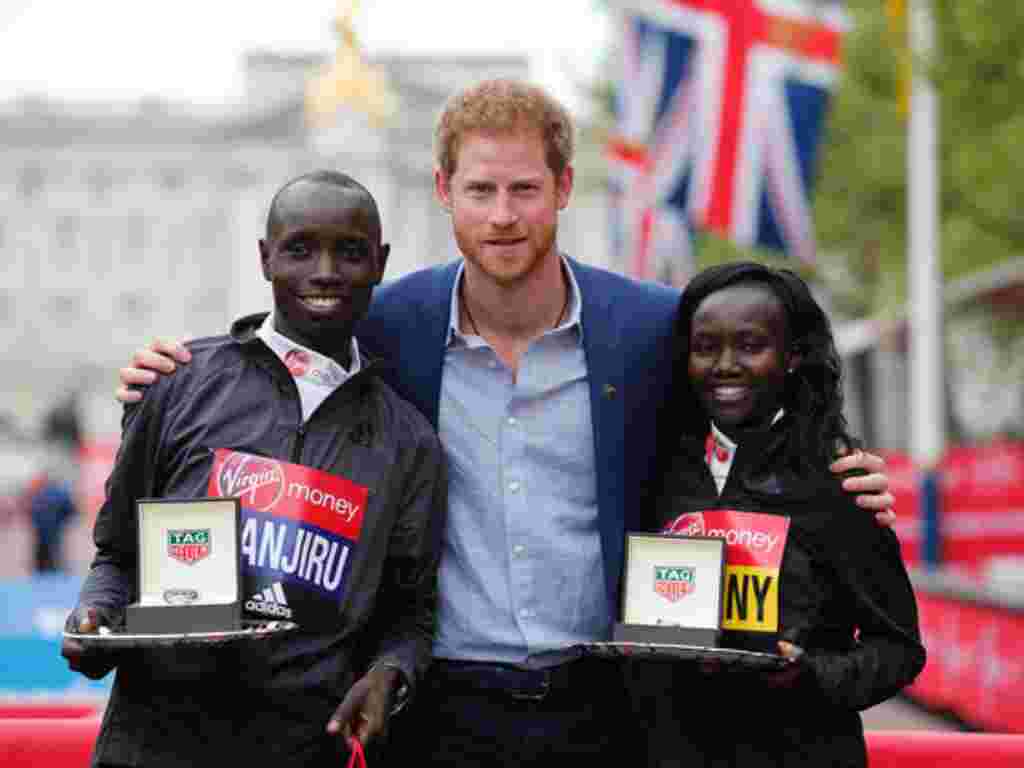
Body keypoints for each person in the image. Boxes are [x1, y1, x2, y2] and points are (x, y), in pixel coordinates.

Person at [114, 79, 895, 766]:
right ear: (444, 191)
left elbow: (751, 404)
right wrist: (168, 371)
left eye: (524, 189)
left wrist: (836, 465)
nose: (503, 216)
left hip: (614, 708)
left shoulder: (651, 328)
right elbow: (282, 343)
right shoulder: (389, 324)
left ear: (563, 189)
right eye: (481, 191)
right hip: (436, 712)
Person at [62, 170, 446, 768]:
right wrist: (94, 621)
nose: (324, 271)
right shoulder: (178, 383)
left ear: (380, 262)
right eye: (299, 249)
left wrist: (390, 672)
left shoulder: (410, 442)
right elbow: (115, 556)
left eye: (349, 252)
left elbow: (411, 614)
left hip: (301, 748)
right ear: (266, 259)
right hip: (152, 745)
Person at [638, 262, 924, 768]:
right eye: (706, 348)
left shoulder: (838, 485)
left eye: (750, 346)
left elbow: (899, 649)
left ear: (792, 357)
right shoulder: (650, 471)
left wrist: (812, 678)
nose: (725, 364)